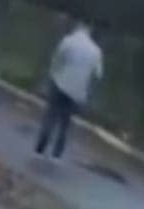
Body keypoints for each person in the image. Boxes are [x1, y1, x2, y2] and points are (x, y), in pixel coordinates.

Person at [35, 21, 103, 159]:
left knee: (51, 115)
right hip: (77, 92)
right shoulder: (96, 51)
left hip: (60, 83)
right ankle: (57, 154)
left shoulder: (68, 41)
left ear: (76, 29)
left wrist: (51, 77)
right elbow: (98, 75)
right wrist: (88, 93)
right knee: (65, 123)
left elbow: (56, 60)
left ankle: (40, 148)